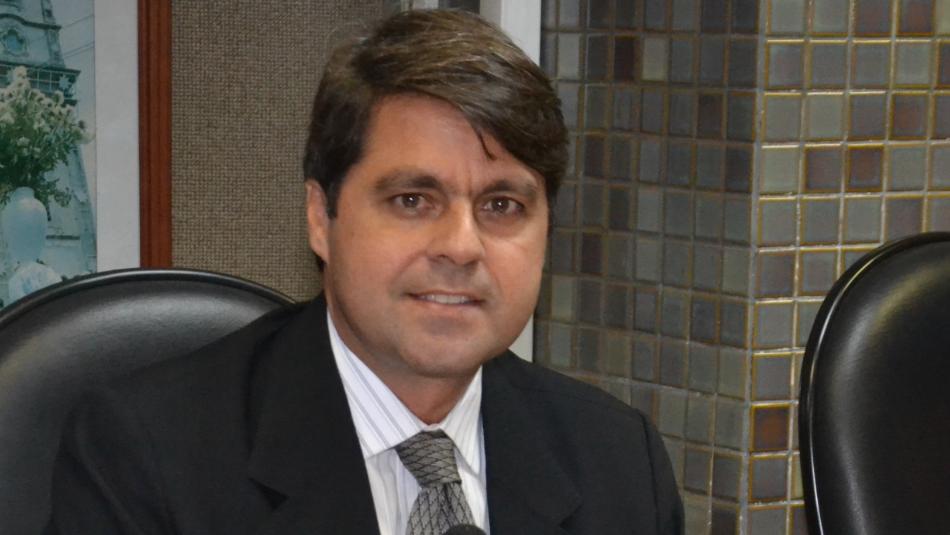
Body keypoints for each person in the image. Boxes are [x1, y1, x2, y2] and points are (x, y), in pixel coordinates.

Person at [46, 9, 682, 535]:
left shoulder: (619, 463)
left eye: (501, 206)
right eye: (412, 200)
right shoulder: (145, 457)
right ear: (321, 217)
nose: (462, 247)